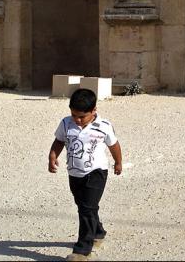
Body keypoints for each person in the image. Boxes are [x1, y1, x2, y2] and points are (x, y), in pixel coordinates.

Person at [49, 88, 122, 262]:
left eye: (82, 116)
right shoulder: (66, 123)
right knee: (84, 204)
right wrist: (52, 156)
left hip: (96, 172)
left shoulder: (104, 126)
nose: (78, 120)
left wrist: (118, 162)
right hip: (74, 172)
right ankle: (97, 232)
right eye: (74, 115)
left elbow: (114, 145)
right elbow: (59, 140)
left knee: (86, 208)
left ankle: (82, 249)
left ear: (94, 110)